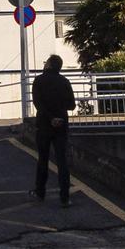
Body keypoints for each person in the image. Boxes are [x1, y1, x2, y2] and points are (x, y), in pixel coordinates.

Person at [30, 54, 76, 206]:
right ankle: (65, 197)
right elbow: (72, 105)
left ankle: (40, 191)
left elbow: (38, 104)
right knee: (62, 161)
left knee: (43, 159)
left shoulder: (39, 81)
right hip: (61, 124)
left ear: (48, 64)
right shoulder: (64, 82)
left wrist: (50, 118)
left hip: (44, 124)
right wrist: (58, 113)